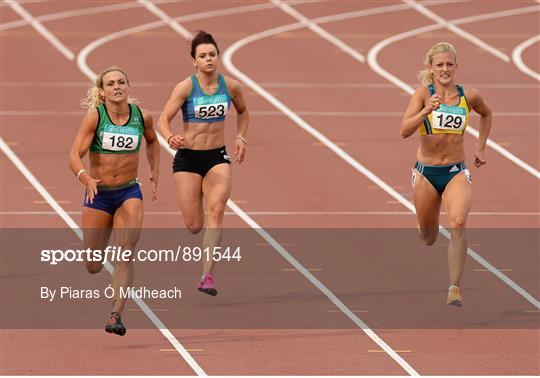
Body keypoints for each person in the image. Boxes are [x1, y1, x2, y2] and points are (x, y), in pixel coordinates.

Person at [400, 42, 492, 307]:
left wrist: (481, 147)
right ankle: (423, 224)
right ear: (430, 68)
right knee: (429, 238)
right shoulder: (422, 93)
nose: (445, 69)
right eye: (439, 65)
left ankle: (454, 288)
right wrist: (425, 110)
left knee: (459, 221)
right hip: (427, 173)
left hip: (455, 171)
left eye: (449, 64)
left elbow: (487, 113)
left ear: (456, 67)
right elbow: (404, 130)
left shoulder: (469, 96)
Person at [69, 66, 159, 335]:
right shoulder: (95, 117)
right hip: (99, 195)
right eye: (111, 84)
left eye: (121, 82)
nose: (117, 87)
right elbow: (74, 155)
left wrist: (155, 170)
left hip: (128, 193)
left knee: (126, 250)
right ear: (103, 90)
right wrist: (86, 178)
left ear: (129, 86)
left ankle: (115, 315)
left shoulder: (142, 117)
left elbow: (153, 142)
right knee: (93, 265)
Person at [158, 31, 249, 296]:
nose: (208, 59)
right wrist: (169, 136)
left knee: (217, 210)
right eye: (202, 56)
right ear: (194, 62)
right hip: (188, 159)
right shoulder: (186, 87)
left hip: (216, 157)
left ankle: (207, 275)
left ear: (218, 57)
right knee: (194, 225)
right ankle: (195, 203)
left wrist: (241, 136)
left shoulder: (230, 86)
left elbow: (243, 112)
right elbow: (163, 119)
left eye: (212, 54)